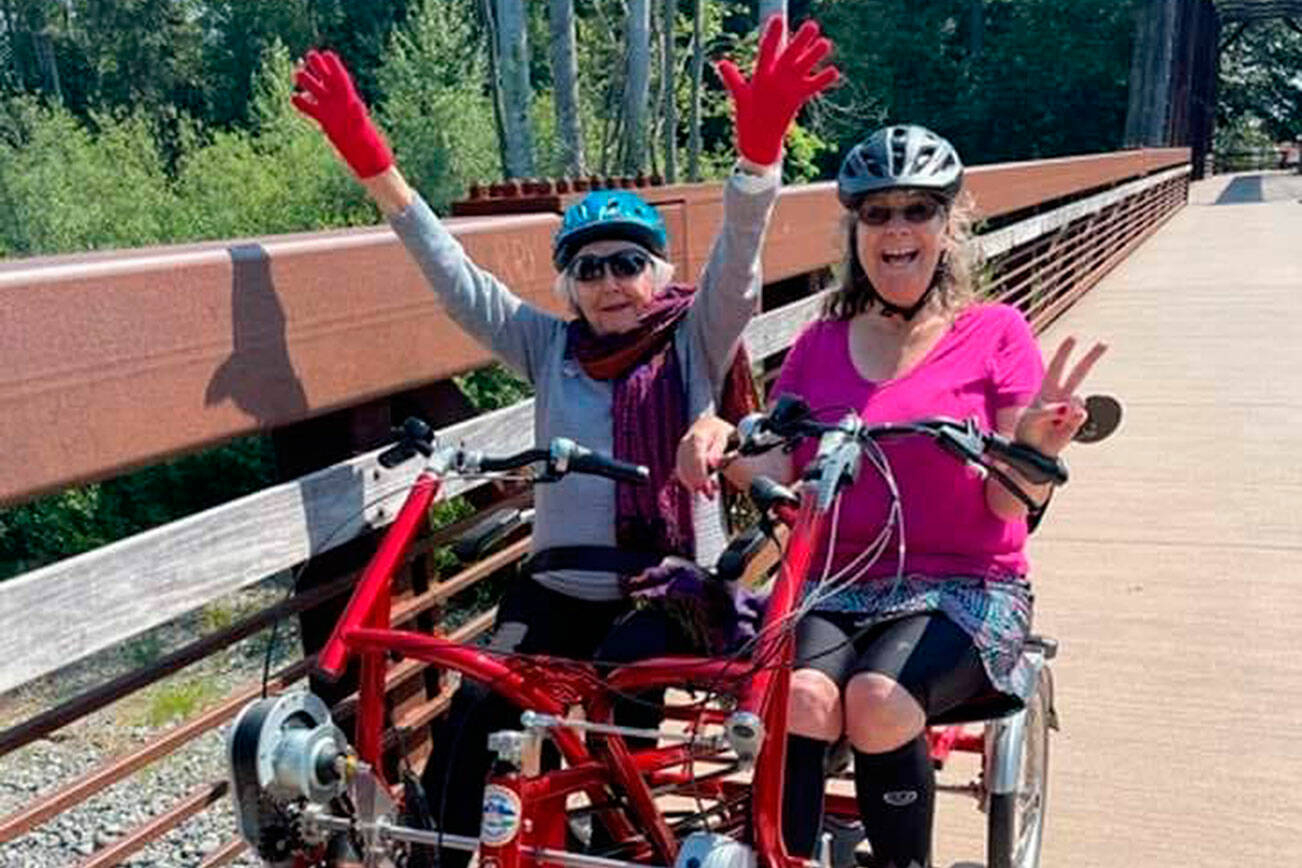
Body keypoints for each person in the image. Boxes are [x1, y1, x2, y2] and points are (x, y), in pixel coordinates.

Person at [290, 16, 838, 866]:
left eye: (628, 262)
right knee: (479, 708)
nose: (610, 282)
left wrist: (759, 157)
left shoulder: (695, 335)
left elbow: (739, 259)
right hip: (556, 585)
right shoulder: (549, 347)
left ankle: (622, 847)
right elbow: (455, 280)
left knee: (618, 704)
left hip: (664, 589)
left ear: (657, 274)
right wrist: (376, 166)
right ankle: (436, 852)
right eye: (588, 268)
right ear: (567, 286)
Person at [676, 124, 1107, 868]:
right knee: (802, 701)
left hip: (965, 587)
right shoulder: (818, 342)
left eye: (917, 210)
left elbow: (1010, 508)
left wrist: (1035, 446)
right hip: (837, 581)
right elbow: (782, 455)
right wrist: (716, 438)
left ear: (949, 224)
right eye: (878, 213)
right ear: (855, 231)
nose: (897, 229)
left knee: (876, 701)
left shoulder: (995, 334)